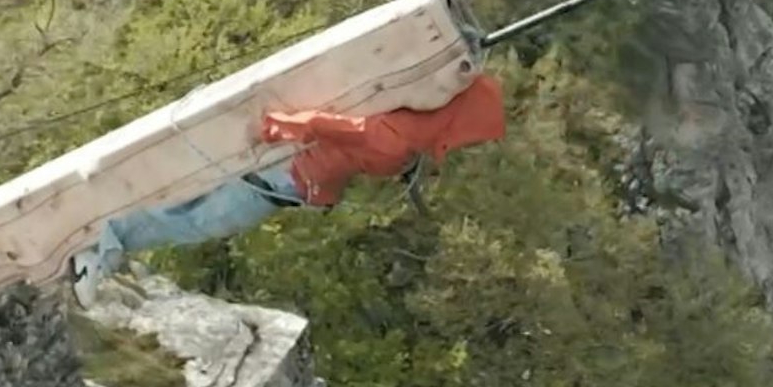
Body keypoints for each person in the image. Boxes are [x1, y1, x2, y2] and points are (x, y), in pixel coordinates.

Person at [67, 73, 506, 307]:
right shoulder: (398, 138)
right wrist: (281, 128)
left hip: (287, 179)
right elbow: (341, 128)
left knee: (188, 210)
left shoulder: (410, 127)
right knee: (196, 220)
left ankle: (102, 239)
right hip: (283, 179)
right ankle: (100, 244)